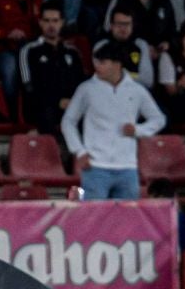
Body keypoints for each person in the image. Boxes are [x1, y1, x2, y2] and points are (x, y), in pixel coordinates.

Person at [62, 40, 166, 201]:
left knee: (126, 219)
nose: (97, 66)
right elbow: (68, 121)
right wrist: (79, 151)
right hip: (95, 166)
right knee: (94, 216)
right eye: (97, 61)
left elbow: (159, 119)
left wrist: (139, 130)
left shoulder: (137, 90)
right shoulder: (86, 89)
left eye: (103, 62)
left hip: (128, 166)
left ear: (117, 64)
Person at [17, 5, 87, 133]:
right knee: (47, 114)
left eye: (55, 21)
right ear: (40, 23)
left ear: (62, 22)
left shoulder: (72, 52)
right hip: (41, 107)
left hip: (71, 105)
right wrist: (57, 102)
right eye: (47, 21)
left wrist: (73, 102)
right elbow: (28, 88)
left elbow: (82, 84)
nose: (51, 25)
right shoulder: (29, 50)